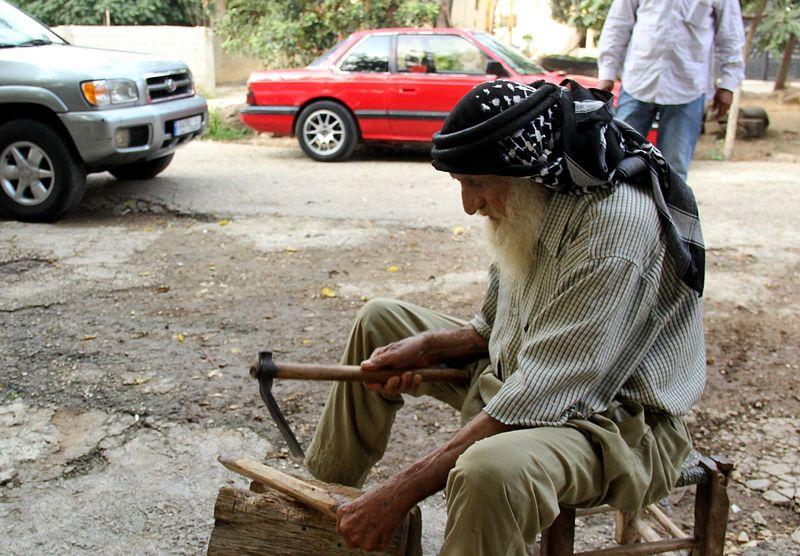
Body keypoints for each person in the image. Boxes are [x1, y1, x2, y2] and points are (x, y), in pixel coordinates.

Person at [304, 79, 707, 555]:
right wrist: (430, 347)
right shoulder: (529, 201)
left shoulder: (613, 229)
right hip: (523, 375)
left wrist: (399, 492)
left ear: (528, 170)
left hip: (613, 422)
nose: (469, 205)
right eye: (461, 184)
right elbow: (494, 326)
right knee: (380, 321)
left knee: (487, 471)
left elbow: (545, 389)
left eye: (477, 183)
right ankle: (315, 511)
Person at [597, 0, 745, 180]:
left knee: (674, 170)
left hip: (687, 88)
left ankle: (668, 200)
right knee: (617, 160)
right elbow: (618, 23)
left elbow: (730, 35)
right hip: (638, 81)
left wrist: (728, 84)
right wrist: (607, 72)